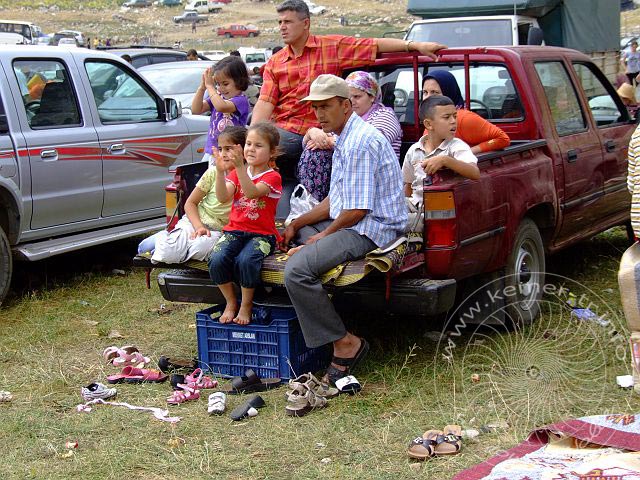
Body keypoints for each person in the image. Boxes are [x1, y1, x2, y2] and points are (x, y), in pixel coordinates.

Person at [282, 75, 407, 384]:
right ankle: (324, 314)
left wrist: (321, 238)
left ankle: (344, 342)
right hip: (353, 218)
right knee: (293, 235)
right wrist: (298, 222)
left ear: (346, 105)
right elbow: (337, 200)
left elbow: (357, 210)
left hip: (372, 227)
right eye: (315, 108)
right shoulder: (344, 136)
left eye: (326, 107)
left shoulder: (361, 141)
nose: (319, 115)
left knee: (296, 270)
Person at [251, 0, 446, 177]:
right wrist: (251, 136)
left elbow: (373, 45)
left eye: (288, 22)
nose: (282, 27)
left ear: (306, 24)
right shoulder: (275, 62)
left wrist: (414, 45)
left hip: (319, 131)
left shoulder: (331, 47)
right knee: (248, 147)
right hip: (286, 129)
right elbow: (264, 102)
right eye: (280, 23)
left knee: (273, 150)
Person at [208, 122, 282, 325]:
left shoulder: (273, 177)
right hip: (235, 231)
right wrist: (221, 172)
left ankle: (246, 304)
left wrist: (239, 167)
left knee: (246, 260)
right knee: (216, 258)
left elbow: (251, 192)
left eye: (258, 145)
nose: (251, 149)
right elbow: (223, 197)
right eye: (248, 143)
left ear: (272, 151)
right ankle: (231, 302)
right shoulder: (236, 173)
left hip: (262, 235)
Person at [295, 70, 402, 208]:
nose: (353, 102)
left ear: (372, 97)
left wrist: (327, 141)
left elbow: (368, 144)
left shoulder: (383, 117)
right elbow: (318, 140)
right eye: (316, 108)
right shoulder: (339, 120)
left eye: (357, 96)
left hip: (373, 189)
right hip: (343, 193)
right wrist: (312, 132)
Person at [150, 127, 245, 264]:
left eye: (228, 149)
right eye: (220, 149)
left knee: (199, 250)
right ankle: (164, 240)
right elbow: (190, 203)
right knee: (168, 253)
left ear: (242, 149)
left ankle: (176, 244)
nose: (223, 154)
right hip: (195, 221)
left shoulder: (246, 176)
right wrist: (199, 227)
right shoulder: (212, 172)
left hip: (218, 230)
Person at [403, 95, 480, 207]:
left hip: (440, 211)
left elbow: (474, 173)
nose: (453, 121)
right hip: (415, 207)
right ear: (429, 124)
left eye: (455, 116)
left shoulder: (456, 146)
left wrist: (445, 161)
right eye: (446, 117)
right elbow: (409, 185)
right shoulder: (414, 150)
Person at [422, 70, 510, 154]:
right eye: (425, 92)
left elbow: (502, 138)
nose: (428, 98)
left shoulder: (464, 118)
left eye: (435, 92)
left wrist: (468, 152)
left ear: (449, 92)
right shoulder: (430, 121)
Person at [191, 56, 250, 160]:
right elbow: (196, 110)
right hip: (213, 150)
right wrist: (202, 87)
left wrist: (210, 87)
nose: (220, 88)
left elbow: (221, 107)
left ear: (240, 81)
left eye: (225, 84)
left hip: (231, 153)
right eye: (218, 84)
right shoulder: (217, 97)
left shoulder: (241, 101)